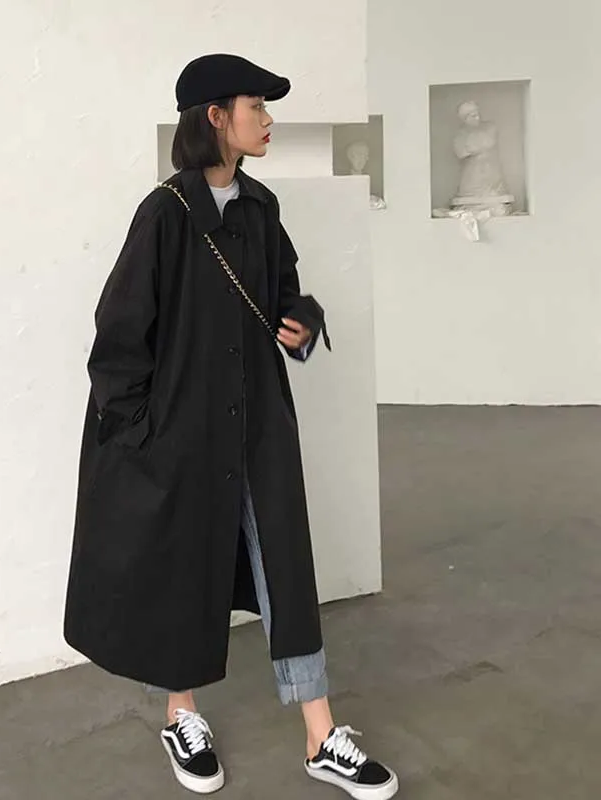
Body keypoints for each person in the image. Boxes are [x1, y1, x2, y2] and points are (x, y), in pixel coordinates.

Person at [64, 53, 398, 799]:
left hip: (259, 425)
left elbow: (283, 294)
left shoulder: (261, 209)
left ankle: (321, 735)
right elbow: (118, 336)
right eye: (257, 107)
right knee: (182, 568)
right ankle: (181, 714)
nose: (269, 121)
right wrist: (143, 434)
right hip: (182, 432)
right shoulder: (164, 215)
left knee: (287, 569)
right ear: (216, 116)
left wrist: (301, 319)